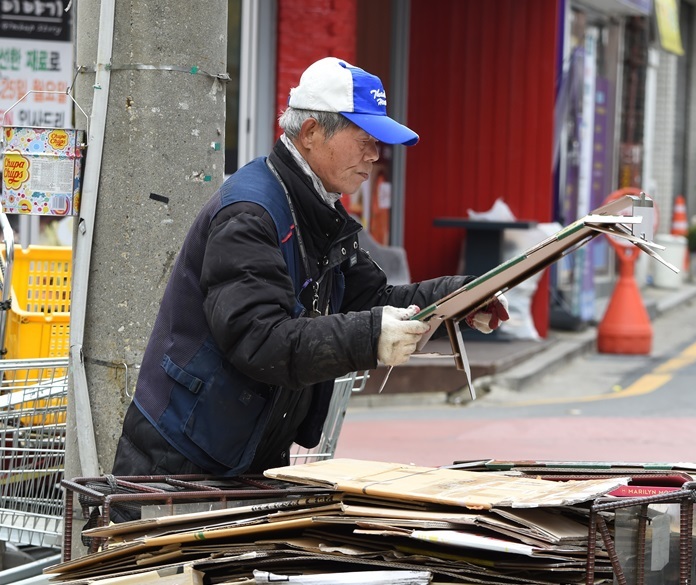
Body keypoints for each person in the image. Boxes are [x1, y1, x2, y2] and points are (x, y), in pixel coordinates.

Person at [111, 57, 509, 480]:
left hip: (244, 447)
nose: (375, 155)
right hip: (181, 457)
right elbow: (259, 339)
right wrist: (372, 335)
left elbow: (373, 300)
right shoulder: (251, 214)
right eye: (365, 139)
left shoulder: (318, 208)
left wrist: (464, 297)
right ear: (311, 134)